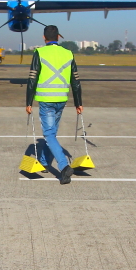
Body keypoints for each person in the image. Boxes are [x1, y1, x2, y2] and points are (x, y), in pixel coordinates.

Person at [26, 25, 83, 185]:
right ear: (58, 37)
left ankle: (64, 167)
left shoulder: (39, 52)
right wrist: (78, 103)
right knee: (51, 133)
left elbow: (32, 79)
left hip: (46, 100)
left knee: (49, 134)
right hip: (61, 100)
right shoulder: (68, 53)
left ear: (44, 38)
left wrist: (28, 102)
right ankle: (44, 161)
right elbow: (76, 81)